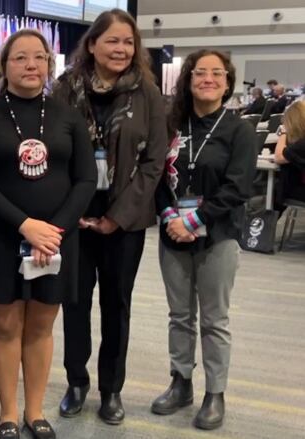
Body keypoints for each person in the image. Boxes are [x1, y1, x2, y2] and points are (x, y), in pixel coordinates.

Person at [0, 29, 96, 439]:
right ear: (4, 65)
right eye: (20, 58)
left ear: (49, 64)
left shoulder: (68, 117)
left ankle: (35, 411)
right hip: (2, 237)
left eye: (38, 57)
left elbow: (86, 180)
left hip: (56, 241)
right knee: (5, 328)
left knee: (41, 326)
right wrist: (25, 226)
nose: (31, 65)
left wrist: (54, 231)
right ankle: (7, 413)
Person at [52, 8, 168, 425]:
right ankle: (76, 382)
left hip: (125, 221)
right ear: (93, 44)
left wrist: (116, 217)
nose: (121, 49)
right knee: (75, 303)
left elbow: (154, 163)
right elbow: (53, 156)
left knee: (116, 305)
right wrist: (71, 213)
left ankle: (111, 390)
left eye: (128, 42)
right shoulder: (64, 90)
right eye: (113, 40)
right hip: (74, 219)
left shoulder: (148, 94)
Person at [151, 49, 255, 430]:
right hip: (172, 235)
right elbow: (157, 178)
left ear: (227, 82)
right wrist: (167, 218)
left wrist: (193, 218)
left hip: (218, 237)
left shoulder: (237, 129)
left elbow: (239, 187)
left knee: (214, 319)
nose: (207, 79)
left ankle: (215, 393)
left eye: (216, 73)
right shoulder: (171, 125)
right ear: (188, 79)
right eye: (200, 73)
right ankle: (181, 382)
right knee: (179, 316)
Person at [274, 100, 305, 203]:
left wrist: (284, 132)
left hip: (299, 193)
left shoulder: (302, 144)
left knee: (275, 190)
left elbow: (279, 157)